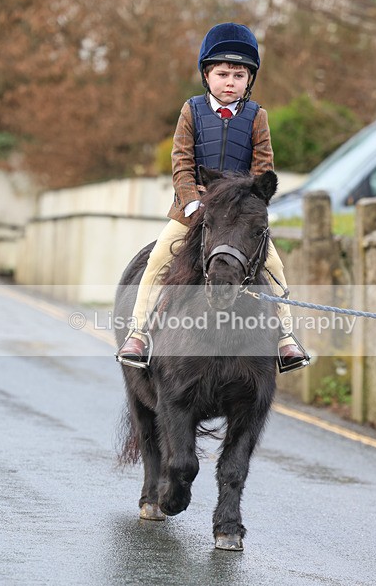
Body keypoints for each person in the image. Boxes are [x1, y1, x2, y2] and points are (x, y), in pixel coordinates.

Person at [116, 22, 309, 372]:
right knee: (157, 260)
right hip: (192, 211)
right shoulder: (191, 110)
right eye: (222, 74)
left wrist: (249, 205)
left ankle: (285, 338)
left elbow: (263, 168)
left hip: (238, 215)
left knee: (275, 267)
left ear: (249, 80)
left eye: (239, 75)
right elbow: (181, 162)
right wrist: (194, 202)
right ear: (207, 75)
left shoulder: (257, 117)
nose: (230, 82)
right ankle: (139, 332)